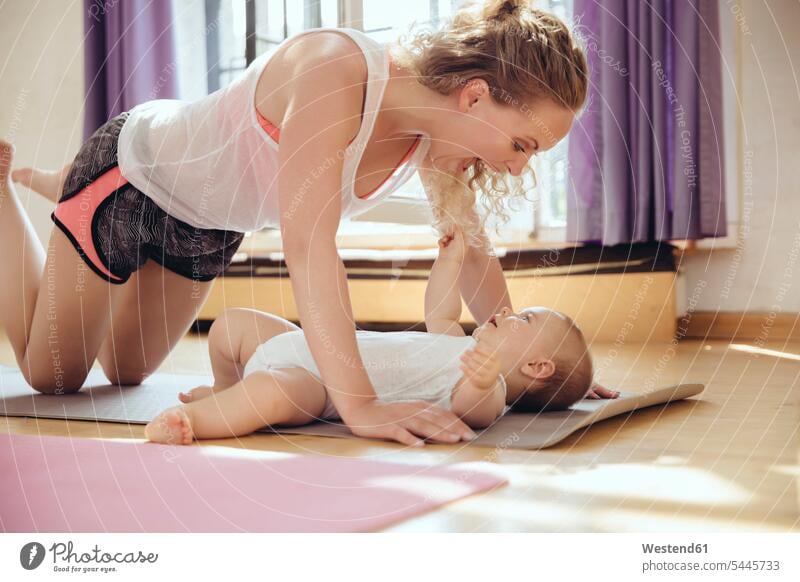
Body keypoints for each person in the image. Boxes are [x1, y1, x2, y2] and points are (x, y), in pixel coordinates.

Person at [1, 0, 593, 447]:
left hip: (208, 227)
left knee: (127, 371)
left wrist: (545, 369)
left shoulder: (435, 140)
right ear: (473, 96)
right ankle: (16, 190)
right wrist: (359, 406)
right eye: (521, 144)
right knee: (54, 377)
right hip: (132, 182)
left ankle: (61, 207)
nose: (516, 166)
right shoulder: (334, 69)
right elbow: (310, 249)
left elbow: (476, 251)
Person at [143, 228, 599, 446]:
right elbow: (439, 308)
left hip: (316, 385)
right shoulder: (459, 343)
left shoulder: (490, 385)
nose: (506, 312)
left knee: (273, 392)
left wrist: (482, 382)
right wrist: (451, 259)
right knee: (231, 323)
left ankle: (195, 422)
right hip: (316, 345)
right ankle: (227, 391)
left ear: (537, 367)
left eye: (524, 319)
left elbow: (474, 415)